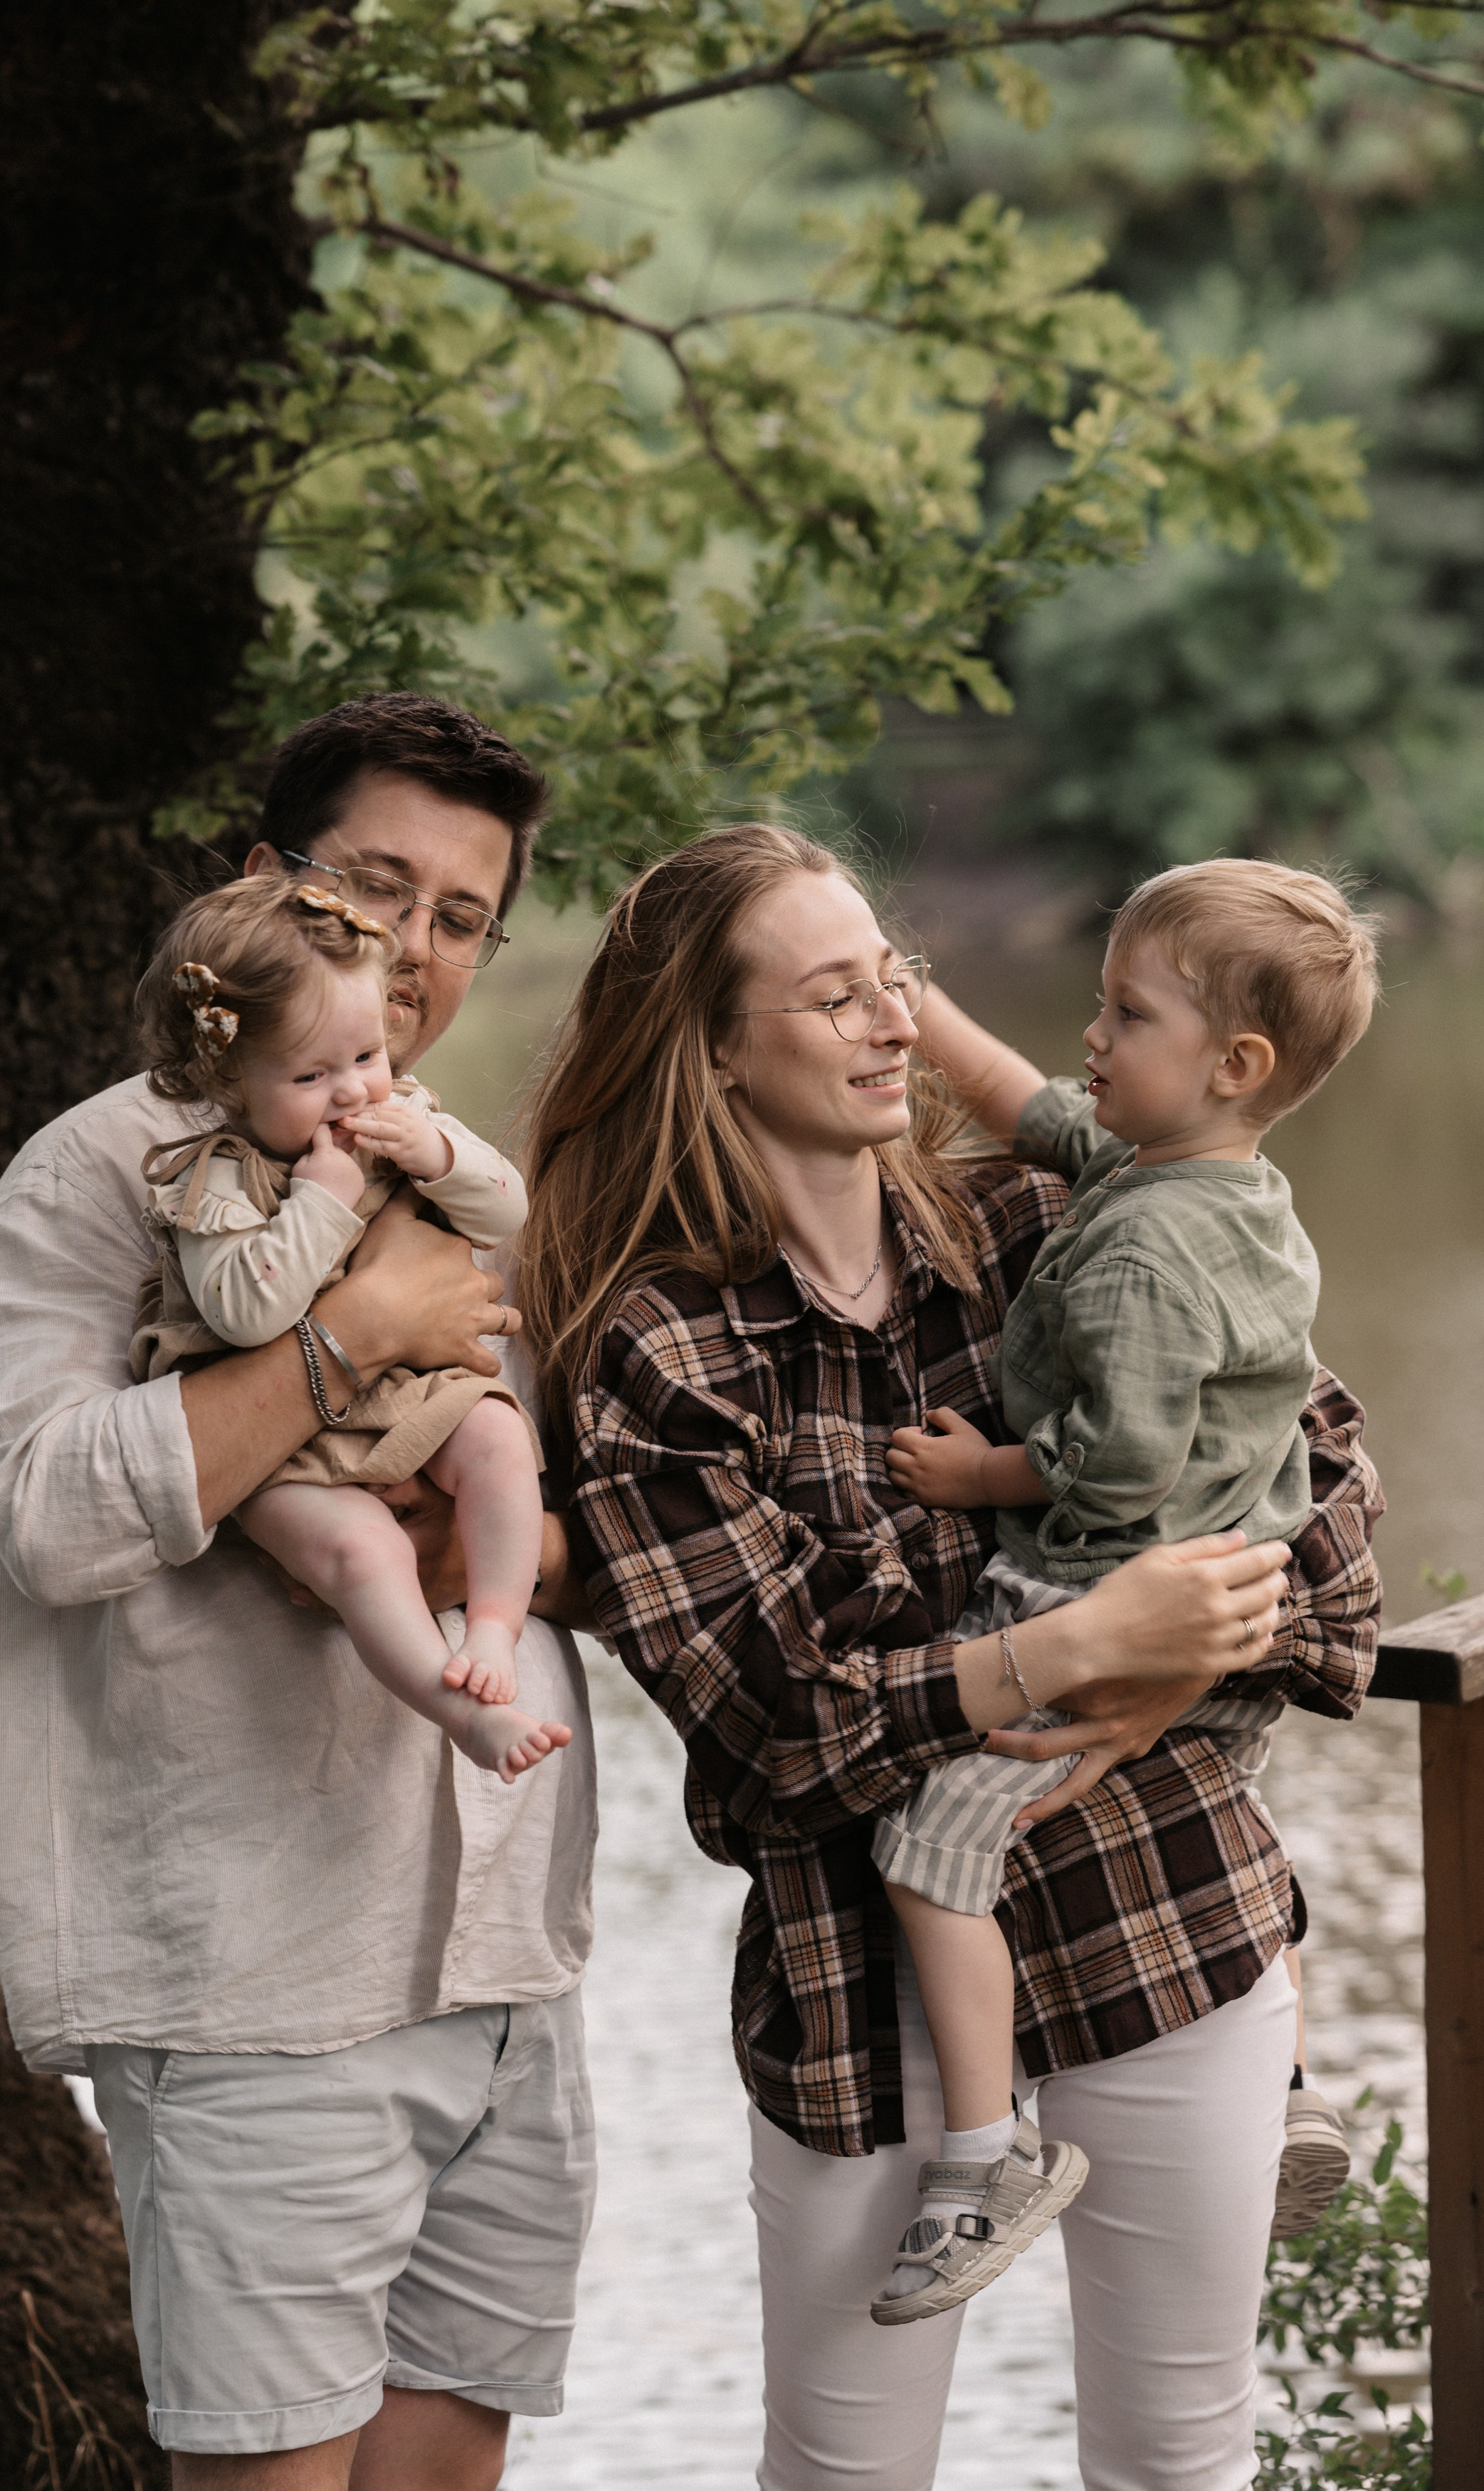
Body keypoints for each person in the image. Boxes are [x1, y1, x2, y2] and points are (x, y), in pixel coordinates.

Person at [520, 822, 1382, 2491]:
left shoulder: (1057, 1221)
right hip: (862, 1984)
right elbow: (779, 1724)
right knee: (844, 2476)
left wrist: (1173, 1667)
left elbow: (1322, 1491)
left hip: (1158, 1906)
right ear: (714, 1046)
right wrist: (1077, 1640)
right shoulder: (659, 1347)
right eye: (833, 995)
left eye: (891, 980)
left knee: (1181, 2461)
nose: (893, 1022)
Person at [0, 694, 597, 2491]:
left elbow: (558, 1518)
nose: (417, 948)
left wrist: (506, 1552)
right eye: (379, 889)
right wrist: (344, 1339)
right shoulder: (103, 1176)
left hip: (503, 1964)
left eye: (462, 917)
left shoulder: (442, 1172)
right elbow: (47, 1514)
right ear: (265, 884)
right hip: (260, 1987)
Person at [868, 858, 1377, 2319]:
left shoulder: (1144, 1250)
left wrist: (978, 1476)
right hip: (1238, 1588)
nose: (1091, 1036)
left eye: (1127, 1015)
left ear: (1233, 1064)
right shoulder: (1213, 1179)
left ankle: (987, 2156)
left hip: (1102, 1597)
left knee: (929, 1842)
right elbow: (1027, 1103)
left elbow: (1117, 1467)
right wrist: (916, 1003)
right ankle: (1282, 2083)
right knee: (1229, 1796)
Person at [131, 872, 568, 1781]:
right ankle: (460, 1711)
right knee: (359, 1550)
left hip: (405, 1394)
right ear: (227, 1076)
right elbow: (245, 1311)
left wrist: (438, 1154)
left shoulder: (402, 1115)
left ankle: (495, 1625)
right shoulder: (217, 1181)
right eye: (310, 1074)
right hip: (282, 1445)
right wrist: (321, 1205)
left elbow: (506, 1210)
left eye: (366, 1055)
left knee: (495, 1436)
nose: (350, 1092)